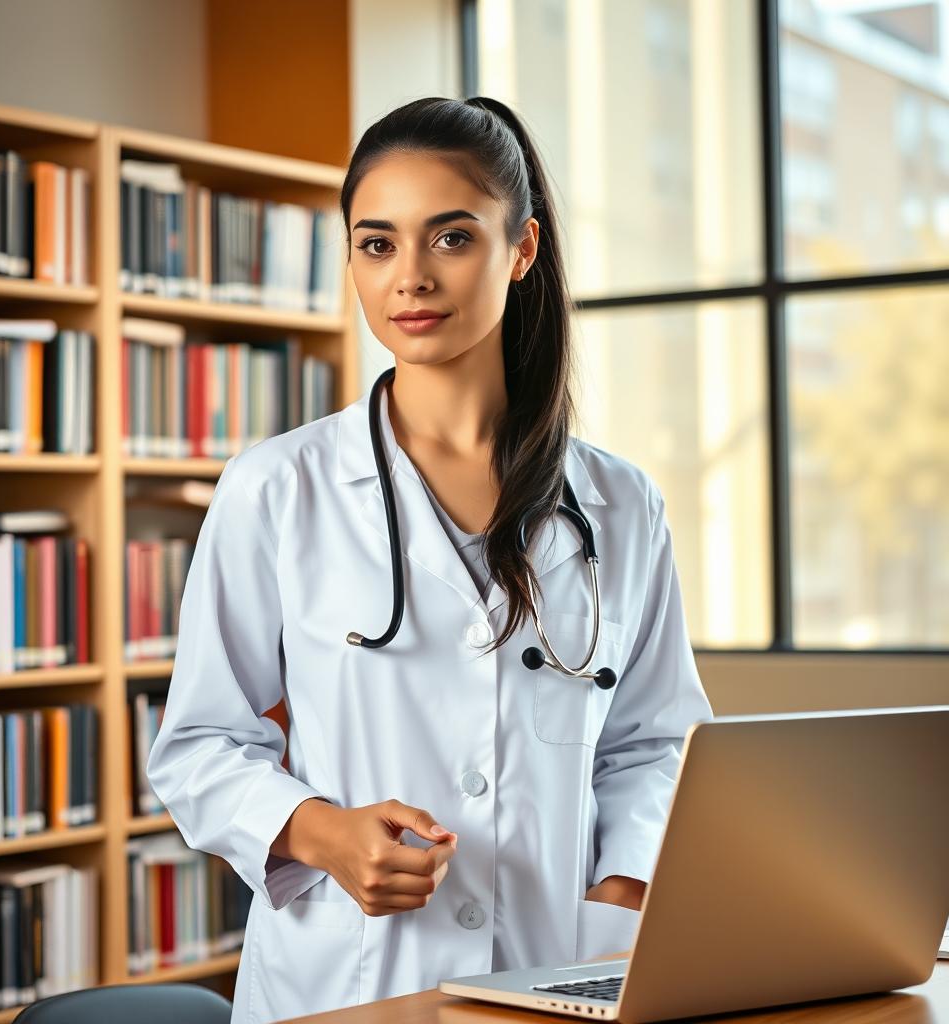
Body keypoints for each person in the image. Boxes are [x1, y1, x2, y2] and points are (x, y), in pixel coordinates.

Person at [145, 95, 713, 1024]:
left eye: (451, 239)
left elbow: (654, 741)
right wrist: (321, 834)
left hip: (557, 974)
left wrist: (624, 884)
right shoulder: (277, 488)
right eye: (377, 244)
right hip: (349, 982)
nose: (409, 277)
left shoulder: (620, 503)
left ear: (521, 250)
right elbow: (202, 742)